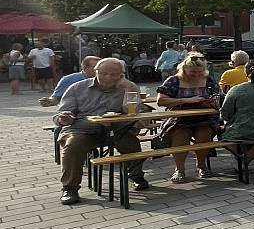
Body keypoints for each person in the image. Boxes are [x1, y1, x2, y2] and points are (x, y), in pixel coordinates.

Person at [53, 58, 148, 205]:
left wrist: (129, 87)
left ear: (121, 75)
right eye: (104, 73)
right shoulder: (77, 88)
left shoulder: (127, 86)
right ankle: (70, 188)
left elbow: (132, 112)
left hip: (116, 129)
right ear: (95, 72)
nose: (108, 78)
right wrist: (65, 118)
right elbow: (63, 113)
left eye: (114, 74)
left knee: (131, 143)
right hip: (83, 129)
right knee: (73, 145)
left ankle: (136, 176)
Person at [156, 54, 221, 183]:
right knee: (179, 136)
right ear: (184, 69)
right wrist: (186, 100)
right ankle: (179, 169)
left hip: (204, 117)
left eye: (199, 72)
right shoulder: (174, 80)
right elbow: (160, 101)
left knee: (204, 136)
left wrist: (210, 102)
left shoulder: (208, 80)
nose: (196, 75)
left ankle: (201, 165)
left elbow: (217, 99)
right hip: (179, 118)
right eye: (193, 72)